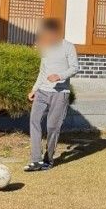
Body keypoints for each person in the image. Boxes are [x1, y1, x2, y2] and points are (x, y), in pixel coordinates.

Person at [25, 17, 79, 172]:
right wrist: (34, 89)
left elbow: (75, 68)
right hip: (42, 91)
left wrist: (59, 76)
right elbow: (43, 70)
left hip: (60, 93)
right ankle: (35, 160)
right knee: (34, 121)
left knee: (52, 127)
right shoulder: (46, 48)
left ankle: (48, 160)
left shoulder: (68, 47)